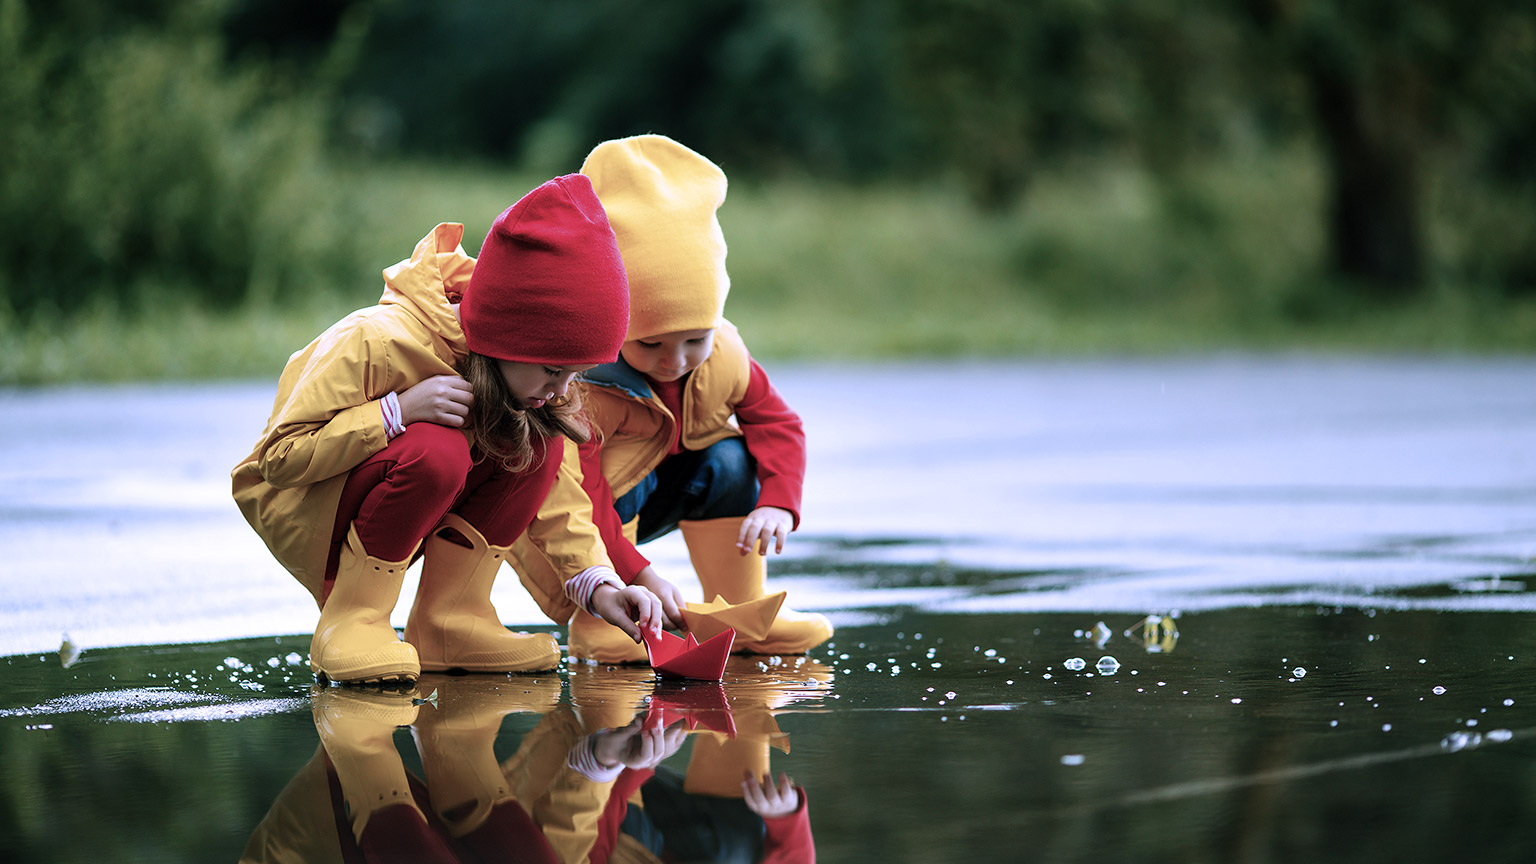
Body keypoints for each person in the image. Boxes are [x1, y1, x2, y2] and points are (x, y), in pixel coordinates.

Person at [232, 174, 663, 685]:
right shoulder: (374, 340)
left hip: (393, 500)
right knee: (437, 449)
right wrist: (397, 411)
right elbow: (277, 461)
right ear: (507, 338)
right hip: (309, 503)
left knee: (542, 444)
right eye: (552, 369)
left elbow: (561, 498)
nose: (561, 387)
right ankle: (352, 623)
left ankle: (450, 622)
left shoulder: (532, 384)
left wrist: (599, 584)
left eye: (576, 373)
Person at [511, 135, 832, 663]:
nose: (675, 360)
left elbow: (779, 424)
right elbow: (582, 502)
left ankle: (741, 610)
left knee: (733, 460)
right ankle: (606, 618)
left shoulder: (725, 352)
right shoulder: (580, 385)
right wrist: (639, 575)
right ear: (616, 323)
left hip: (663, 488)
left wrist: (778, 501)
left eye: (694, 340)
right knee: (621, 474)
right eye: (650, 343)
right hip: (591, 527)